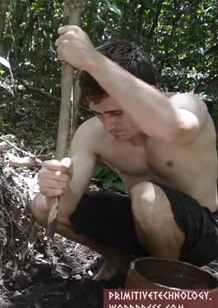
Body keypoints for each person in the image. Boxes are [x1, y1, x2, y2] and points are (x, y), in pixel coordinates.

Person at [30, 25, 218, 281]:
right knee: (41, 205)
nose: (109, 125)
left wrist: (92, 59)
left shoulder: (185, 106)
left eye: (117, 112)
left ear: (148, 91)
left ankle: (166, 284)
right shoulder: (92, 134)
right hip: (142, 226)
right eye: (99, 113)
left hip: (201, 234)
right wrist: (54, 186)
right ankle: (120, 262)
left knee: (146, 195)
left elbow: (173, 130)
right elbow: (65, 207)